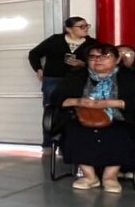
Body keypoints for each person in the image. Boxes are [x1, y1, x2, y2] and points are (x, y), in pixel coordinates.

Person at [53, 41, 135, 192]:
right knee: (74, 132)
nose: (97, 60)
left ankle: (110, 177)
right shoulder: (77, 75)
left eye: (104, 56)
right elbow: (56, 98)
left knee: (120, 133)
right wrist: (79, 101)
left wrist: (112, 103)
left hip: (119, 118)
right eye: (92, 57)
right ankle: (89, 176)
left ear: (117, 59)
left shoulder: (130, 77)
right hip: (82, 118)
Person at [28, 17, 98, 147]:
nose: (86, 29)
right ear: (69, 29)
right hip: (53, 79)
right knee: (51, 109)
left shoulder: (92, 44)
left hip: (78, 80)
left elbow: (98, 63)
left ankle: (72, 142)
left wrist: (83, 64)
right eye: (81, 26)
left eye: (87, 26)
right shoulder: (55, 40)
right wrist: (38, 69)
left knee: (78, 109)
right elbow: (34, 53)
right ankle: (49, 143)